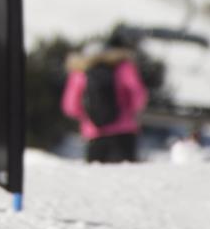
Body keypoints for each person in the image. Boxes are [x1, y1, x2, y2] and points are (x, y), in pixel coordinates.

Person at [61, 30, 150, 163]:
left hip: (94, 133)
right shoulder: (123, 67)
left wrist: (87, 116)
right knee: (126, 177)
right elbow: (138, 94)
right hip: (124, 131)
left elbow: (70, 107)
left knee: (96, 179)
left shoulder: (80, 72)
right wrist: (131, 112)